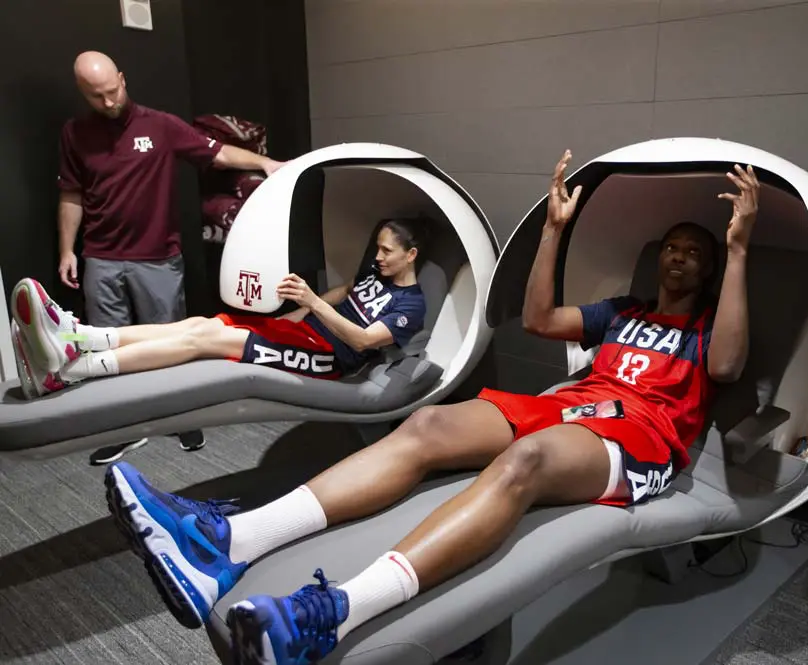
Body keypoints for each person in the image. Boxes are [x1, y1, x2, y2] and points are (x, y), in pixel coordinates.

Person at [100, 149, 758, 665]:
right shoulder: (624, 311)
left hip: (643, 437)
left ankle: (335, 613)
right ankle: (230, 542)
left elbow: (726, 366)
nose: (679, 257)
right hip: (578, 404)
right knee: (429, 423)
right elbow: (537, 317)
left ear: (705, 271)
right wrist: (555, 230)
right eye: (673, 246)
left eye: (694, 252)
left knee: (524, 461)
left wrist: (736, 250)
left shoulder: (706, 330)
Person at [53, 50, 287, 463]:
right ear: (82, 93)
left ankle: (180, 415)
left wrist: (265, 162)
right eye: (97, 97)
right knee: (110, 352)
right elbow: (70, 194)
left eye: (113, 91)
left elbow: (217, 153)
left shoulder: (159, 125)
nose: (109, 103)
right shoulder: (75, 133)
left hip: (157, 257)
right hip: (101, 258)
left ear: (123, 79)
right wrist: (67, 249)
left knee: (173, 342)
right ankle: (126, 428)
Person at [10, 218, 427, 394]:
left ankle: (71, 371)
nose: (379, 258)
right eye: (377, 249)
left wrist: (312, 302)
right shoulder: (378, 274)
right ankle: (79, 337)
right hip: (306, 332)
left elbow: (364, 338)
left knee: (203, 341)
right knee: (200, 323)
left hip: (329, 357)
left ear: (412, 255)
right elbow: (349, 288)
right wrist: (299, 312)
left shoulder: (412, 304)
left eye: (388, 252)